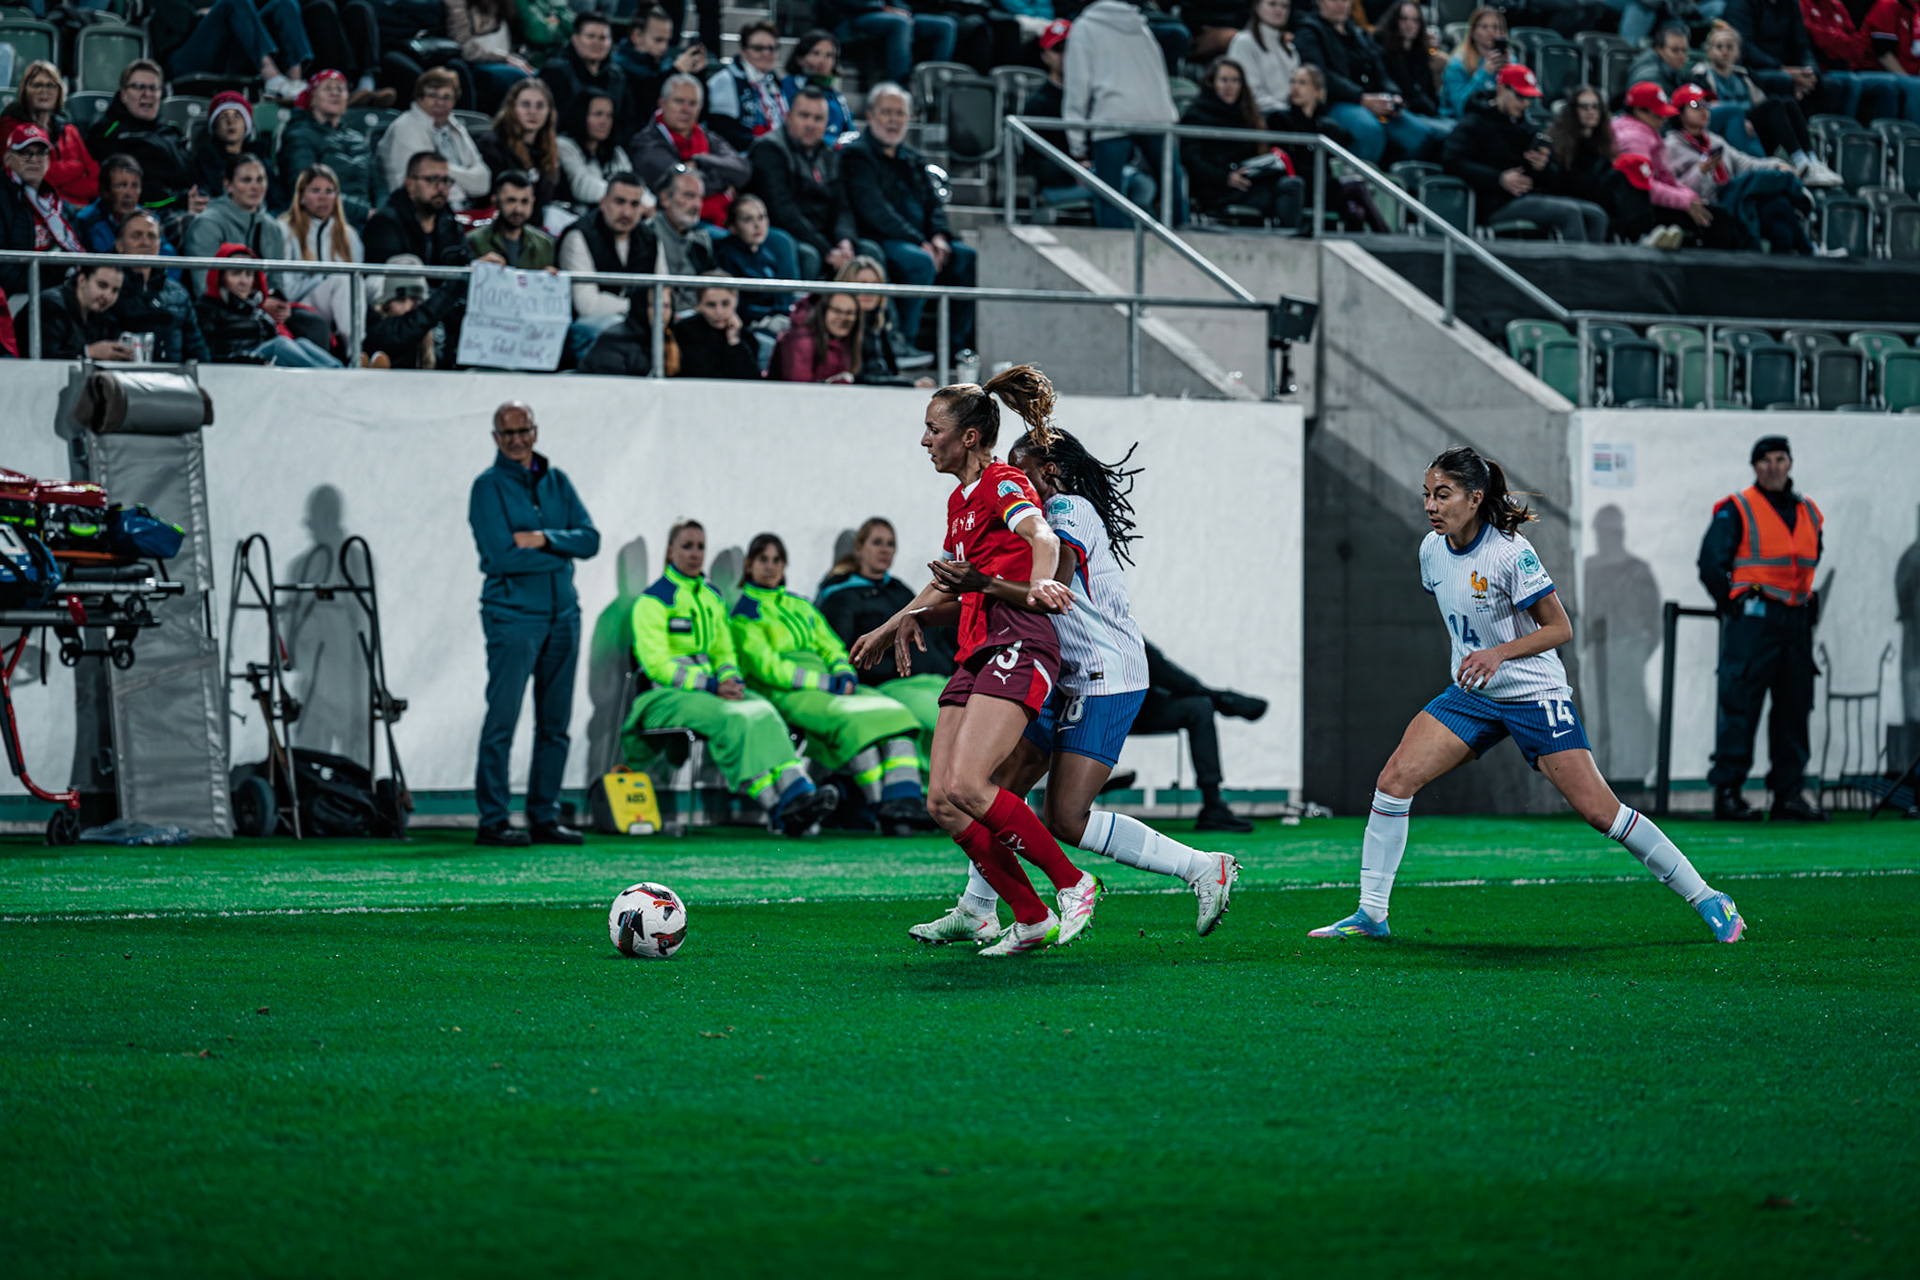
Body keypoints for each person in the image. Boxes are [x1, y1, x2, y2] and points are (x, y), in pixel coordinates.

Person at [1308, 446, 1747, 944]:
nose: (1430, 505)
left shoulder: (1510, 552)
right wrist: (1479, 660)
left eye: (1443, 494)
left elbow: (1559, 628)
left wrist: (1498, 654)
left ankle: (1708, 896)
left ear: (1475, 499)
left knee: (1601, 813)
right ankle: (1371, 914)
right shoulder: (1431, 551)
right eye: (1426, 494)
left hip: (1534, 694)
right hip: (1473, 693)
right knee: (1394, 780)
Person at [908, 426, 1242, 946]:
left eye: (1024, 470)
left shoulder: (1067, 510)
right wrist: (917, 615)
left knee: (1064, 816)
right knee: (991, 790)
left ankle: (1202, 867)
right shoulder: (1022, 512)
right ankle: (980, 907)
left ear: (1052, 472)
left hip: (1104, 675)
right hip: (1058, 672)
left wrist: (984, 582)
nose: (1015, 480)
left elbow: (1048, 589)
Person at [847, 369, 1100, 957]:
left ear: (966, 438)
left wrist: (1039, 587)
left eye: (932, 429)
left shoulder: (1003, 481)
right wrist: (893, 623)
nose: (923, 440)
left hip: (1020, 640)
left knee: (969, 782)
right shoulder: (959, 499)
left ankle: (1074, 882)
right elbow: (947, 584)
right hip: (976, 647)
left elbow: (1044, 538)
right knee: (941, 799)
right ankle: (1031, 916)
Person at [624, 518, 841, 835]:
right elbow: (657, 665)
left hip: (714, 691)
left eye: (700, 546)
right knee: (735, 720)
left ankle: (798, 793)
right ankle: (777, 807)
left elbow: (725, 651)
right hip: (665, 696)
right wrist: (710, 684)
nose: (695, 553)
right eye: (687, 546)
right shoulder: (652, 601)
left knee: (764, 710)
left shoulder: (711, 596)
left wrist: (731, 680)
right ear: (671, 550)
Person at [729, 532, 929, 833]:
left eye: (777, 560)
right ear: (749, 565)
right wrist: (825, 682)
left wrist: (844, 671)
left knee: (896, 714)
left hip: (831, 686)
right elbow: (769, 668)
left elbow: (830, 644)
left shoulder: (800, 605)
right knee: (857, 722)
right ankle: (878, 808)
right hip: (788, 692)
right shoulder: (744, 615)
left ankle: (903, 801)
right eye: (763, 560)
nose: (770, 567)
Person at [468, 401, 599, 847]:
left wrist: (544, 539)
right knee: (502, 719)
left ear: (535, 431)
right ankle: (493, 819)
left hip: (563, 615)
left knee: (555, 724)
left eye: (523, 430)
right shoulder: (487, 488)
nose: (518, 440)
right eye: (508, 434)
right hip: (512, 618)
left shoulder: (557, 480)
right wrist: (563, 550)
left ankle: (544, 814)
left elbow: (591, 540)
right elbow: (499, 556)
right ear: (496, 439)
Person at [1697, 436, 1827, 823]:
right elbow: (1709, 564)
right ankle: (1729, 792)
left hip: (1796, 623)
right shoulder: (1737, 508)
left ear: (1790, 463)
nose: (1773, 467)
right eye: (1765, 460)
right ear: (1755, 467)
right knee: (1740, 706)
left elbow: (1810, 560)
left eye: (1780, 459)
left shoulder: (1809, 512)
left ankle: (1788, 794)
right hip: (1752, 623)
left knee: (1794, 708)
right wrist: (1731, 606)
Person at [841, 84, 977, 356]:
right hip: (881, 237)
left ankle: (955, 346)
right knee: (919, 262)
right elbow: (874, 210)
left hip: (921, 238)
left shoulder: (913, 158)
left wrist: (939, 236)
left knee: (965, 257)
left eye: (899, 114)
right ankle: (904, 343)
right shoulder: (857, 155)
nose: (893, 120)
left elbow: (933, 205)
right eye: (886, 112)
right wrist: (919, 241)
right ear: (870, 116)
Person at [817, 517, 956, 744]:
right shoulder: (841, 596)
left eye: (890, 544)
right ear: (859, 548)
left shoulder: (900, 590)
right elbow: (842, 651)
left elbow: (930, 632)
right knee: (946, 725)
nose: (885, 550)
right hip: (893, 684)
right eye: (877, 542)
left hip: (937, 679)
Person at [1443, 64, 1609, 243]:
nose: (1525, 104)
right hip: (1496, 202)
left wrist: (1542, 167)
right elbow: (1452, 161)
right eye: (1520, 96)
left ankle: (1591, 270)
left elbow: (1553, 180)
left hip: (1531, 197)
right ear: (1501, 89)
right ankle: (1572, 270)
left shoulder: (1527, 128)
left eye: (1529, 98)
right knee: (1569, 213)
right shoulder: (1474, 123)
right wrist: (1498, 179)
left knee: (1596, 215)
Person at [1063, 0, 1186, 229]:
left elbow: (1077, 87)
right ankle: (1184, 238)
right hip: (1156, 112)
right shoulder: (1140, 26)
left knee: (1109, 194)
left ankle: (1114, 243)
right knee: (1172, 189)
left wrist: (1077, 145)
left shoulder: (1084, 27)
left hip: (1112, 112)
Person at [1024, 20, 1158, 222]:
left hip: (1103, 172)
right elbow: (1034, 161)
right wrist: (1073, 169)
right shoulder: (1038, 104)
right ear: (1045, 56)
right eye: (1058, 50)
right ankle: (1118, 240)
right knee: (1110, 188)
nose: (1066, 57)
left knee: (1142, 185)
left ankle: (1137, 241)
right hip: (1062, 184)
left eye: (1071, 49)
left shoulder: (1098, 95)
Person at [1664, 83, 1811, 254]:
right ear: (1679, 113)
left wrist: (1776, 164)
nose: (1704, 110)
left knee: (1777, 205)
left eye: (1706, 105)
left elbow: (1744, 163)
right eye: (1696, 105)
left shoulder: (1714, 140)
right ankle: (1796, 188)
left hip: (1736, 197)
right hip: (1712, 202)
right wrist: (1700, 171)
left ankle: (1800, 256)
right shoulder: (1671, 147)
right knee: (1750, 183)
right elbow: (1674, 188)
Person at [1297, 0, 1450, 163]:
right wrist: (1362, 98)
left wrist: (1393, 96)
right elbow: (1321, 76)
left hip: (1372, 100)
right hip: (1336, 102)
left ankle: (1400, 180)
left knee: (1417, 133)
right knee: (1368, 130)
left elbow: (1380, 70)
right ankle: (1358, 184)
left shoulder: (1357, 32)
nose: (1341, 4)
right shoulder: (1309, 32)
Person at [1694, 20, 1839, 181]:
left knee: (1788, 102)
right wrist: (1741, 118)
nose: (1724, 52)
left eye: (1729, 47)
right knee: (1774, 104)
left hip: (1753, 128)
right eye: (1719, 47)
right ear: (1709, 51)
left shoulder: (1745, 75)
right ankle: (1799, 160)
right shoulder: (1702, 76)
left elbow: (1761, 101)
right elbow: (1709, 108)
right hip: (1728, 129)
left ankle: (1812, 160)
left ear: (1737, 51)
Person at [748, 85, 863, 280]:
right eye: (804, 116)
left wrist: (845, 241)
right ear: (789, 116)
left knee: (868, 252)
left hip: (823, 236)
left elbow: (842, 205)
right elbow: (783, 212)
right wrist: (827, 250)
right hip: (787, 234)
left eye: (818, 119)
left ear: (827, 123)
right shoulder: (769, 149)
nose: (811, 124)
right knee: (810, 255)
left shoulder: (828, 154)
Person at [1182, 57, 1306, 228]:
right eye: (1224, 80)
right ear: (1212, 82)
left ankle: (1291, 239)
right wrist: (1225, 176)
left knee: (1292, 184)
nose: (1229, 86)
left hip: (1249, 181)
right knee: (1286, 191)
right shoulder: (1197, 115)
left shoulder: (1247, 115)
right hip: (1216, 188)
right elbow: (1192, 158)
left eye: (1235, 80)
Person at [1727, 0, 1892, 123]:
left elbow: (1802, 45)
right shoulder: (1741, 4)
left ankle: (1830, 141)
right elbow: (1744, 48)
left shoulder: (1790, 4)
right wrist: (1781, 68)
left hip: (1788, 69)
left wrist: (1810, 73)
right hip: (1754, 69)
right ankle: (1793, 144)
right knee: (1784, 81)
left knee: (1827, 84)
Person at [1613, 83, 1730, 248]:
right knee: (1715, 220)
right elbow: (1641, 186)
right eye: (1658, 115)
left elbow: (1666, 177)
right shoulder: (1633, 138)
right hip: (1639, 209)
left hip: (1652, 202)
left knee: (1717, 215)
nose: (1664, 120)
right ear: (1639, 111)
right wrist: (1684, 201)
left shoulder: (1648, 132)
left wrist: (1688, 196)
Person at [557, 171, 657, 362]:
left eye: (635, 204)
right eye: (620, 202)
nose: (627, 212)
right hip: (585, 329)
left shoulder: (650, 238)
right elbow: (587, 305)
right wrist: (639, 308)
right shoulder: (578, 236)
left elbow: (663, 295)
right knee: (616, 329)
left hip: (637, 324)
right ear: (603, 202)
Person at [629, 74, 751, 229]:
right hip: (677, 222)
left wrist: (701, 160)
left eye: (692, 103)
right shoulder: (647, 142)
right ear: (662, 103)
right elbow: (681, 186)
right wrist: (725, 182)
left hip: (728, 216)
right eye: (679, 101)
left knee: (780, 241)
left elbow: (743, 170)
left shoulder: (708, 137)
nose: (686, 110)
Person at [85, 62, 202, 218]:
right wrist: (179, 201)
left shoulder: (170, 132)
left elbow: (195, 177)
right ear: (124, 94)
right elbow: (126, 193)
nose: (147, 94)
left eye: (153, 88)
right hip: (143, 216)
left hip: (186, 208)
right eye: (139, 87)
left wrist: (200, 197)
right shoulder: (109, 133)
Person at [196, 243, 343, 366]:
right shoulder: (207, 308)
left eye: (248, 274)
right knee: (280, 345)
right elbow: (209, 352)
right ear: (221, 277)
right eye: (236, 273)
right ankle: (328, 378)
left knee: (301, 342)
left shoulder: (255, 308)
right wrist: (255, 360)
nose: (244, 281)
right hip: (236, 367)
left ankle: (342, 374)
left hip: (260, 365)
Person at [150, 0, 313, 100]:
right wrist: (204, 15)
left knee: (284, 3)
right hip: (183, 58)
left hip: (225, 52)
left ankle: (295, 83)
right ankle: (271, 75)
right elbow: (180, 21)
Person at [279, 69, 382, 226]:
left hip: (368, 218)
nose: (335, 93)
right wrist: (364, 212)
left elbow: (380, 186)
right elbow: (305, 187)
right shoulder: (299, 135)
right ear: (312, 99)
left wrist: (383, 212)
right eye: (327, 88)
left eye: (340, 89)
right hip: (324, 219)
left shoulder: (358, 138)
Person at [378, 68, 491, 209]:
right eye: (433, 95)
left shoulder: (454, 126)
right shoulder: (405, 127)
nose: (440, 102)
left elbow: (483, 182)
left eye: (446, 97)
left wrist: (443, 172)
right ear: (419, 98)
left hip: (460, 212)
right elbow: (422, 190)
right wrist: (465, 183)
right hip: (415, 213)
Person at [1, 123, 88, 304]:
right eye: (25, 153)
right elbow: (4, 269)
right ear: (8, 159)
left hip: (55, 290)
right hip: (14, 295)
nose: (34, 159)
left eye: (41, 153)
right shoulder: (3, 198)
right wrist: (48, 284)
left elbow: (79, 243)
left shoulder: (54, 202)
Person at [109, 211, 210, 363]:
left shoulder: (179, 293)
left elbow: (196, 348)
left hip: (173, 382)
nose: (145, 242)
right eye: (137, 235)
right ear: (119, 245)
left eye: (152, 236)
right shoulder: (107, 290)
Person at [183, 153, 291, 295]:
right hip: (219, 312)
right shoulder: (206, 224)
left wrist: (278, 301)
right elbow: (205, 289)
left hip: (261, 311)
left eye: (260, 180)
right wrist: (260, 303)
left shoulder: (273, 227)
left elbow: (277, 283)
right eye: (246, 180)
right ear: (228, 185)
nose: (255, 187)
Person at [279, 163, 365, 339]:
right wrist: (324, 275)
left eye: (329, 191)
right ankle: (355, 351)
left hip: (340, 305)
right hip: (301, 304)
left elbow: (358, 282)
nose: (323, 198)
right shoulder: (284, 229)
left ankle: (361, 352)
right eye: (315, 190)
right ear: (301, 197)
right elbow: (287, 290)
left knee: (372, 281)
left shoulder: (349, 235)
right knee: (342, 279)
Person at [1802, 0, 1920, 124]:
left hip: (1846, 66)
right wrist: (1908, 79)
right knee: (1913, 85)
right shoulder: (1888, 5)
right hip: (1869, 70)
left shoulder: (1837, 6)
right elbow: (1883, 53)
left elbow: (1854, 42)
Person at [0, 62, 97, 207]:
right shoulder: (9, 128)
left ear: (59, 92)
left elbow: (95, 176)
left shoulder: (69, 130)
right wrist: (77, 168)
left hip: (81, 213)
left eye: (50, 85)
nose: (43, 90)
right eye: (36, 85)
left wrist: (62, 185)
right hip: (32, 209)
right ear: (24, 91)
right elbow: (35, 176)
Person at [836, 255, 935, 386]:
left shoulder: (878, 320)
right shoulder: (841, 326)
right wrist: (910, 385)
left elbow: (889, 371)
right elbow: (858, 379)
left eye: (875, 284)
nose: (870, 290)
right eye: (862, 283)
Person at [365, 151, 475, 267]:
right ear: (410, 184)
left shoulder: (450, 222)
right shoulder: (384, 223)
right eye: (432, 179)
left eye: (445, 180)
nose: (441, 187)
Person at [814, 0, 959, 85]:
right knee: (900, 24)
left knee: (946, 26)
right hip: (850, 17)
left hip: (887, 14)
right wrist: (884, 9)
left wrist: (902, 10)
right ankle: (899, 88)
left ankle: (936, 88)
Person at [478, 77, 565, 216]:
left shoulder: (550, 149)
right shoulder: (491, 146)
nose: (533, 111)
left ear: (549, 111)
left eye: (540, 106)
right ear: (512, 108)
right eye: (525, 105)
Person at [539, 13, 633, 136]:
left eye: (603, 38)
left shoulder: (617, 77)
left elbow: (625, 123)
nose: (597, 43)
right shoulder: (556, 72)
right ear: (575, 39)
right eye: (590, 36)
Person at [361, 253, 462, 367]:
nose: (409, 306)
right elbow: (409, 327)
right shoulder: (378, 329)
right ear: (387, 303)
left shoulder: (432, 331)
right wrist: (453, 288)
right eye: (400, 300)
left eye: (415, 299)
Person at [191, 93, 284, 217]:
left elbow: (278, 198)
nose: (231, 122)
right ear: (215, 127)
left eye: (237, 115)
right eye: (224, 116)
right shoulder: (206, 159)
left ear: (246, 126)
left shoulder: (258, 155)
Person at [714, 194, 798, 329]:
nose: (757, 225)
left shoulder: (767, 253)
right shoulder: (726, 256)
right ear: (733, 226)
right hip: (747, 325)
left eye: (762, 217)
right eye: (748, 219)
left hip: (775, 317)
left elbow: (781, 295)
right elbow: (739, 305)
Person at [614, 6, 708, 123]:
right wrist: (675, 72)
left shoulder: (666, 64)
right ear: (637, 36)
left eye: (667, 41)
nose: (664, 47)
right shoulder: (618, 69)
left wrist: (698, 74)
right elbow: (642, 108)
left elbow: (700, 115)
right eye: (658, 40)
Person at [76, 156, 180, 261]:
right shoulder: (87, 221)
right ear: (105, 191)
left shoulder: (150, 220)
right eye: (121, 186)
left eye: (134, 186)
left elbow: (169, 258)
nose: (129, 194)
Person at [706, 20, 788, 152]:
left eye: (772, 48)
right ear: (743, 51)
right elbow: (724, 135)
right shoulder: (726, 80)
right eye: (758, 48)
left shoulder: (774, 82)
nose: (766, 53)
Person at [446, 0, 535, 110]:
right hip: (474, 61)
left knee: (536, 75)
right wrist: (505, 58)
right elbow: (466, 49)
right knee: (518, 77)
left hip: (502, 55)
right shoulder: (457, 3)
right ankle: (508, 125)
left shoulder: (501, 4)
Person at [556, 90, 633, 215]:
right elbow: (582, 185)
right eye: (598, 114)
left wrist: (646, 202)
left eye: (609, 116)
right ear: (581, 115)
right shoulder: (563, 145)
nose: (605, 121)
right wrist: (628, 195)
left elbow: (633, 181)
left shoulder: (617, 153)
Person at [652, 166, 716, 314]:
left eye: (700, 197)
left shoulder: (702, 242)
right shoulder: (647, 236)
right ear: (665, 198)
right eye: (689, 196)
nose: (697, 205)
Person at [670, 279, 762, 379]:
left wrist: (734, 341)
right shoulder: (682, 331)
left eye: (725, 303)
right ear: (700, 305)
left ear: (736, 300)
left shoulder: (746, 336)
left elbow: (751, 381)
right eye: (711, 304)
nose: (719, 312)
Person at [37, 261, 129, 361]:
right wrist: (89, 352)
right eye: (102, 285)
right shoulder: (49, 306)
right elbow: (45, 358)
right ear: (82, 280)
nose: (108, 296)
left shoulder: (102, 313)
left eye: (115, 290)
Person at [1226, 0, 1300, 120]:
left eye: (1285, 6)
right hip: (1259, 117)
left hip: (1286, 116)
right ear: (1256, 6)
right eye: (1272, 4)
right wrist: (1286, 112)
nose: (1279, 10)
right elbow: (1250, 93)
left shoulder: (1291, 49)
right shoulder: (1243, 42)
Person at [468, 170, 558, 266]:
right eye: (511, 201)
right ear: (495, 201)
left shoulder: (545, 245)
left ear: (532, 202)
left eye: (524, 201)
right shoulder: (474, 241)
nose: (518, 209)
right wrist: (477, 268)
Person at [768, 291, 863, 383]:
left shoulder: (844, 339)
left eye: (849, 313)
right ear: (822, 311)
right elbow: (799, 389)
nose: (843, 318)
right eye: (836, 311)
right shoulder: (801, 340)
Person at [1375, 1, 1444, 121]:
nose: (1410, 24)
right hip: (1402, 115)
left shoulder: (1420, 53)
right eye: (1404, 19)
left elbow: (1430, 90)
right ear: (1395, 21)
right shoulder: (1382, 51)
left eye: (1415, 20)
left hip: (1428, 114)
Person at [780, 30, 855, 139]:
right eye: (816, 53)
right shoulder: (788, 86)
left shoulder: (836, 97)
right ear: (800, 58)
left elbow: (850, 131)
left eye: (829, 55)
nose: (823, 61)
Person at [1441, 7, 1506, 120]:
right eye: (1484, 27)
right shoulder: (1457, 63)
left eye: (1496, 27)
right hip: (1457, 122)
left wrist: (1510, 71)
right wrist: (1484, 74)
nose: (1491, 32)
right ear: (1473, 32)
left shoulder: (1509, 60)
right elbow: (1460, 108)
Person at [516, 0, 574, 68]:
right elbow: (541, 34)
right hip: (537, 62)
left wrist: (553, 18)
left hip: (563, 56)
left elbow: (575, 25)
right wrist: (556, 19)